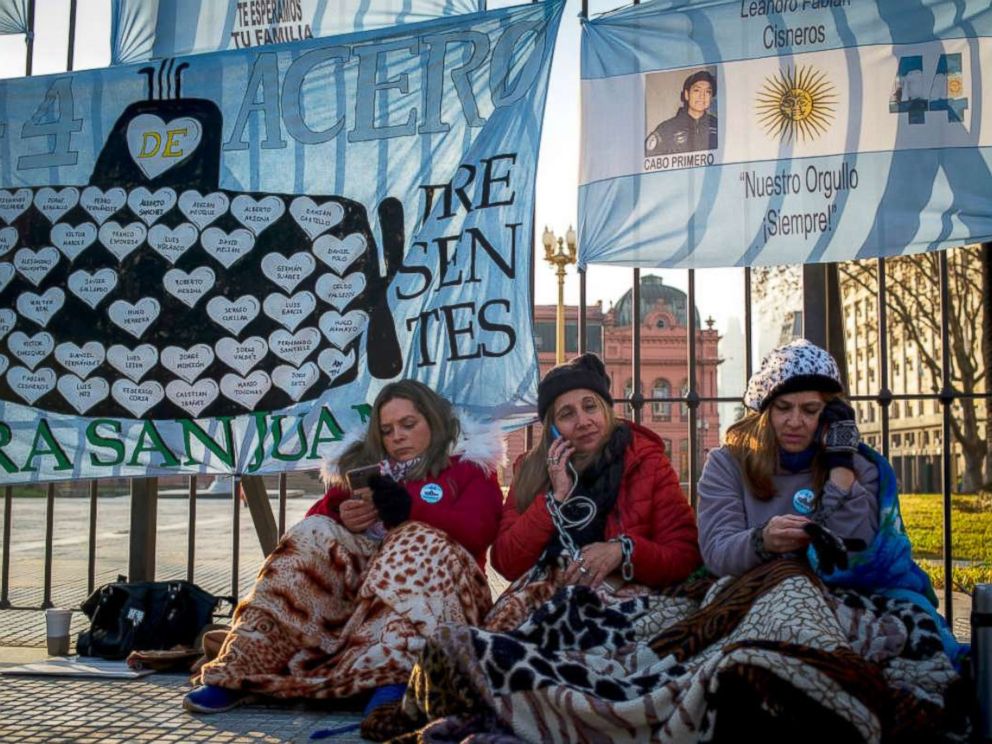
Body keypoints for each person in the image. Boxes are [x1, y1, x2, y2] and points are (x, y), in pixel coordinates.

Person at [183, 380, 505, 715]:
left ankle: (392, 680)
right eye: (387, 430)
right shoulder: (365, 469)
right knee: (315, 531)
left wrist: (409, 509)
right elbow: (308, 534)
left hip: (446, 598)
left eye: (409, 425)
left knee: (415, 539)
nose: (398, 436)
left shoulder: (469, 464)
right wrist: (343, 517)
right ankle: (243, 666)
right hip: (360, 603)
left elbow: (478, 531)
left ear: (434, 422)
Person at [486, 353, 700, 629]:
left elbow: (684, 556)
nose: (583, 421)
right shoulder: (530, 470)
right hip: (543, 605)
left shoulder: (646, 461)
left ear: (606, 411)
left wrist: (623, 551)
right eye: (567, 414)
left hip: (622, 607)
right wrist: (555, 497)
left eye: (590, 407)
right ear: (552, 429)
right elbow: (506, 562)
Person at [697, 339, 879, 578]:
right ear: (764, 412)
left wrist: (840, 471)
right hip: (753, 595)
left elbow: (859, 554)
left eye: (810, 410)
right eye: (783, 408)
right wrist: (762, 541)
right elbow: (717, 554)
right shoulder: (727, 463)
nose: (794, 422)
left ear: (830, 416)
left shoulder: (858, 467)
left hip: (839, 597)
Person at [645, 69, 718, 156]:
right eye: (697, 90)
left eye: (708, 92)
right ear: (687, 95)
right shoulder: (666, 128)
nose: (702, 96)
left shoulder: (718, 125)